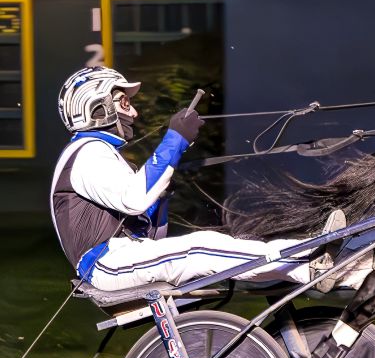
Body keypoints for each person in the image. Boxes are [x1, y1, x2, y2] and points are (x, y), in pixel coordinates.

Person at [50, 66, 358, 293]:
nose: (134, 113)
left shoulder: (98, 154)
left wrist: (162, 194)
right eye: (124, 103)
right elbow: (134, 199)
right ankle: (305, 261)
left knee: (212, 244)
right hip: (106, 264)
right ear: (98, 108)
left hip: (120, 258)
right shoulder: (88, 153)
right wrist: (175, 140)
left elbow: (150, 232)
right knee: (200, 248)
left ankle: (313, 261)